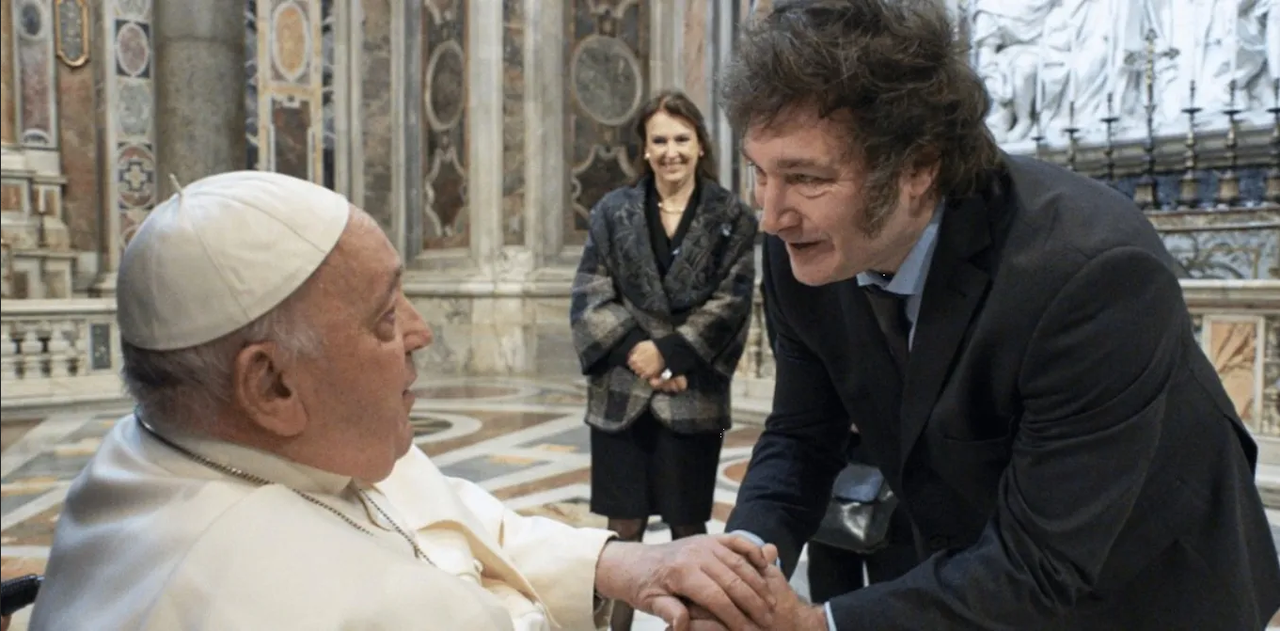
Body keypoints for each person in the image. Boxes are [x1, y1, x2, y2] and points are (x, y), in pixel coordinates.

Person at [721, 1, 1280, 629]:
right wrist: (737, 571)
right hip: (982, 564)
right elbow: (801, 434)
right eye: (758, 172)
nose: (770, 214)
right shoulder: (804, 248)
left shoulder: (1089, 274)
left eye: (805, 177)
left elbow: (1042, 566)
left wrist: (816, 624)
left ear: (917, 167)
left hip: (1147, 589)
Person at [28, 171, 781, 631]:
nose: (421, 331)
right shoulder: (313, 602)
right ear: (271, 384)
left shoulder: (210, 439)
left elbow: (439, 507)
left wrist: (624, 565)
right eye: (385, 315)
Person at [570, 89, 759, 630]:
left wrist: (673, 358)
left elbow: (732, 302)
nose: (670, 151)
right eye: (659, 140)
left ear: (700, 144)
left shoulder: (732, 217)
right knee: (623, 528)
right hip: (621, 396)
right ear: (644, 149)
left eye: (681, 139)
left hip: (691, 395)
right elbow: (589, 294)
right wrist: (645, 358)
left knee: (688, 529)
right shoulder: (612, 212)